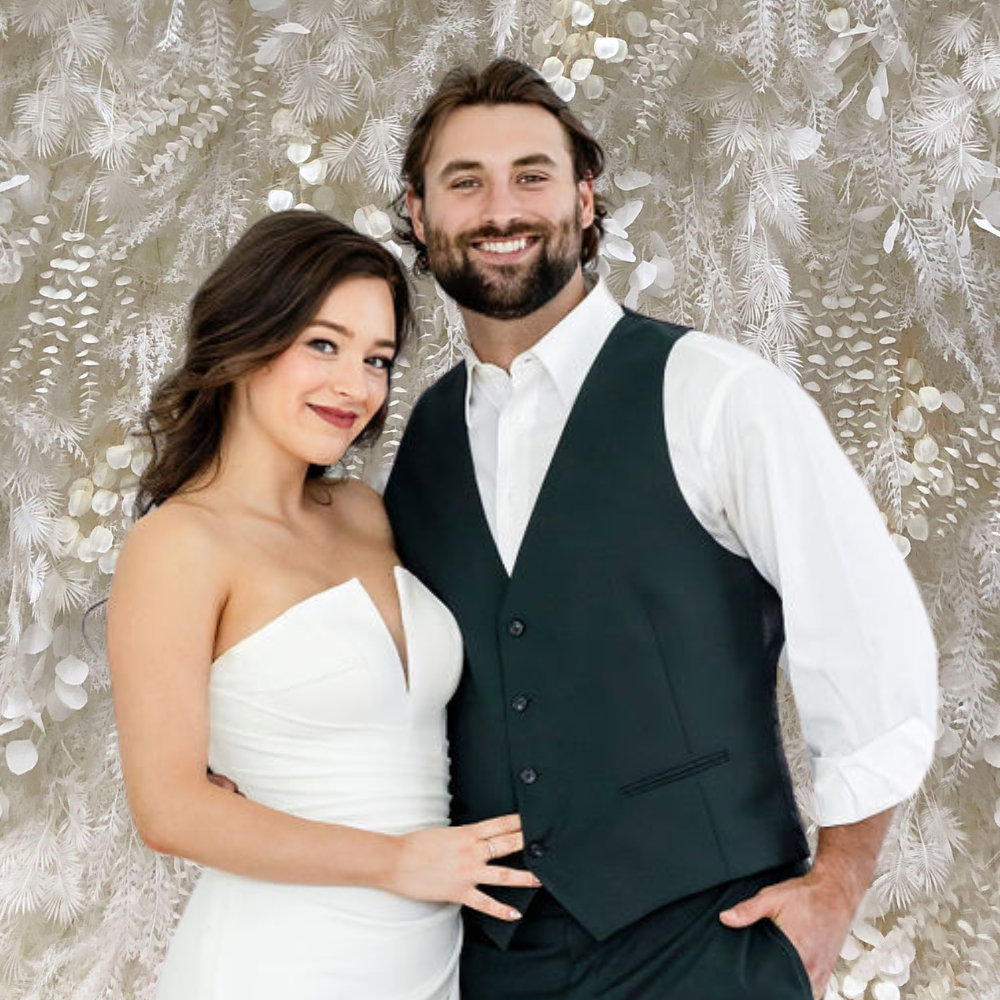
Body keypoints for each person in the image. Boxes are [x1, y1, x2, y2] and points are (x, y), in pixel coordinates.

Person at [381, 59, 939, 999]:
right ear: (420, 215)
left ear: (586, 200)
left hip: (707, 940)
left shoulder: (716, 392)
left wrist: (837, 888)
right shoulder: (420, 439)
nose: (501, 208)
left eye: (532, 175)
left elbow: (868, 635)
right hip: (489, 960)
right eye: (464, 182)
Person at [106, 211, 540, 1000]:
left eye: (376, 359)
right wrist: (398, 860)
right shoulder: (179, 544)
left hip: (425, 957)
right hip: (277, 958)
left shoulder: (364, 515)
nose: (356, 387)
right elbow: (168, 808)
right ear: (245, 341)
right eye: (323, 344)